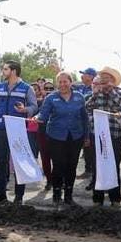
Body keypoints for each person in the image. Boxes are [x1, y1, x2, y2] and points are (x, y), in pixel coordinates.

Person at [35, 71, 89, 205]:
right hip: (56, 137)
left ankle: (69, 195)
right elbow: (43, 115)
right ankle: (56, 193)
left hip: (76, 136)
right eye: (60, 82)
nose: (63, 84)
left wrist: (86, 136)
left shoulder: (80, 97)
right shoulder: (51, 98)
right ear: (57, 83)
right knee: (58, 166)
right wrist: (35, 118)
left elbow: (85, 118)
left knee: (72, 165)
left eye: (65, 81)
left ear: (71, 82)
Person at [0, 59, 38, 204]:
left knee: (18, 162)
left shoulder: (27, 88)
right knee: (1, 161)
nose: (3, 72)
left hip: (17, 129)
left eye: (5, 69)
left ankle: (19, 196)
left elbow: (34, 106)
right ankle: (0, 194)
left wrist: (25, 110)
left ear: (14, 71)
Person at [84, 67, 121, 206]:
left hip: (114, 134)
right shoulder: (96, 93)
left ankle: (115, 199)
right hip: (99, 135)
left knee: (114, 166)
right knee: (98, 166)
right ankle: (98, 198)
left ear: (113, 80)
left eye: (108, 78)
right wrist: (95, 94)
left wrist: (111, 91)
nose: (105, 80)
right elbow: (87, 109)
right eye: (103, 78)